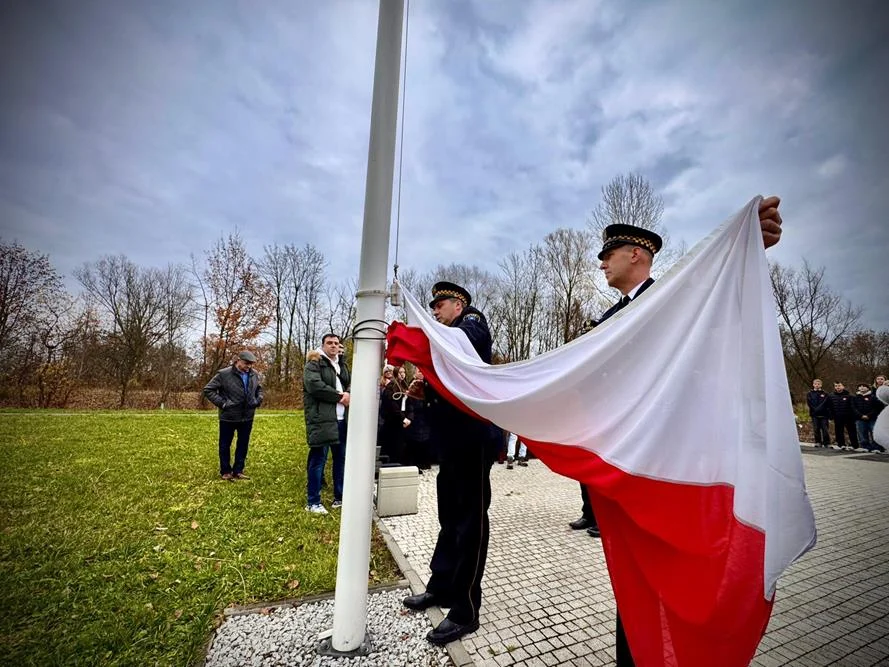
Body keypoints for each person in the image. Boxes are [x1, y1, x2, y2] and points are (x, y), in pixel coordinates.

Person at [587, 196, 784, 666]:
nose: (601, 262)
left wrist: (744, 251)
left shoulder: (674, 301)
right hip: (626, 473)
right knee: (632, 581)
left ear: (636, 254)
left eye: (608, 253)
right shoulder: (608, 320)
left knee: (675, 578)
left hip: (673, 469)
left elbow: (718, 306)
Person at [402, 281, 501, 646]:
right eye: (432, 307)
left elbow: (460, 348)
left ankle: (465, 609)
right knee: (449, 520)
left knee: (470, 525)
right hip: (452, 444)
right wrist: (425, 389)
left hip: (472, 443)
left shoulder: (472, 325)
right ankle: (441, 586)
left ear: (459, 305)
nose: (434, 312)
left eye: (440, 305)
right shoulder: (451, 334)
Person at [303, 333, 351, 514]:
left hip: (341, 420)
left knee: (340, 459)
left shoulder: (340, 365)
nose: (333, 346)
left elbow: (349, 383)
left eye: (336, 343)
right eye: (329, 343)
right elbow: (314, 386)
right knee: (318, 460)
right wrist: (340, 397)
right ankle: (313, 502)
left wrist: (348, 393)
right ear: (322, 345)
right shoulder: (314, 364)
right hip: (322, 420)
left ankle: (340, 497)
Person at [202, 350, 264, 480]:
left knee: (243, 444)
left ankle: (238, 471)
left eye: (251, 364)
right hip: (228, 417)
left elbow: (259, 389)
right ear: (238, 361)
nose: (249, 366)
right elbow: (208, 389)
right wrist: (223, 403)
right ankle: (225, 471)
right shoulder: (223, 374)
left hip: (247, 416)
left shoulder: (254, 374)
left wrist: (258, 400)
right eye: (246, 363)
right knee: (225, 445)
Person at [828, 381, 858, 450]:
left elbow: (853, 407)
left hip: (849, 417)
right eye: (836, 386)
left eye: (839, 385)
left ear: (843, 386)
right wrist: (831, 416)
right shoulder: (831, 396)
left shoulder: (850, 396)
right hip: (837, 417)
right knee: (839, 431)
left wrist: (854, 416)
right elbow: (829, 407)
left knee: (852, 431)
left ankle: (854, 445)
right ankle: (841, 444)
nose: (837, 387)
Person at [852, 382, 881, 452]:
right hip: (860, 418)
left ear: (868, 388)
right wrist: (861, 415)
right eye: (860, 386)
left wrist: (868, 415)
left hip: (872, 418)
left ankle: (876, 447)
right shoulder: (855, 397)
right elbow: (853, 408)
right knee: (862, 433)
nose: (862, 387)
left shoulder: (873, 397)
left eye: (864, 386)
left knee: (874, 433)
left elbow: (876, 408)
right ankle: (865, 447)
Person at [806, 379, 832, 447]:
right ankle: (818, 442)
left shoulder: (825, 394)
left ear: (821, 385)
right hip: (814, 414)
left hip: (824, 414)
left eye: (818, 384)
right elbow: (809, 403)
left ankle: (827, 443)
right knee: (816, 429)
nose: (817, 385)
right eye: (815, 384)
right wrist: (815, 409)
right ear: (813, 384)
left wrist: (819, 408)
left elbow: (826, 403)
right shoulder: (809, 394)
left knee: (825, 429)